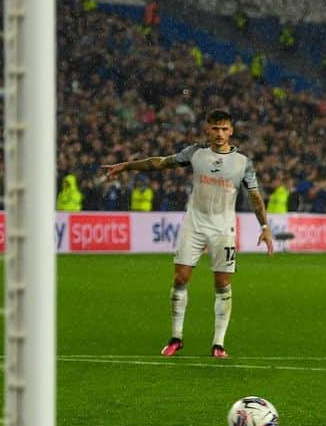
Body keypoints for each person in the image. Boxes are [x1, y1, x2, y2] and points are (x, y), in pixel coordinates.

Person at [101, 109, 275, 358]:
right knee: (180, 278)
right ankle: (176, 337)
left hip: (223, 228)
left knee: (222, 284)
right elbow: (159, 163)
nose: (219, 134)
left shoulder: (243, 162)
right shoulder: (195, 153)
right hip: (194, 225)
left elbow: (256, 197)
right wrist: (126, 166)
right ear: (207, 129)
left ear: (231, 131)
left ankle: (218, 344)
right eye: (215, 128)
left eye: (224, 129)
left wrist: (265, 228)